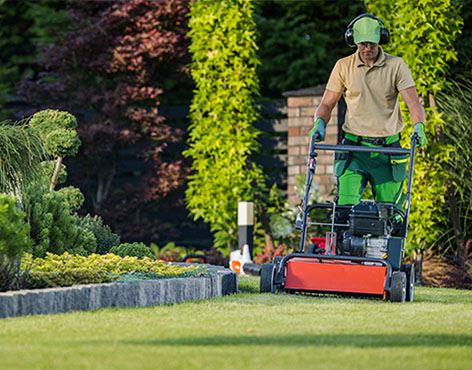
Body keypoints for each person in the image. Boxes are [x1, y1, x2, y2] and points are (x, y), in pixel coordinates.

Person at [309, 13, 427, 243]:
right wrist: (320, 122)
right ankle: (342, 257)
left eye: (371, 43)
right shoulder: (343, 66)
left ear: (380, 39)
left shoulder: (396, 66)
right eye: (362, 43)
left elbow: (413, 102)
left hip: (388, 152)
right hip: (354, 150)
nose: (366, 48)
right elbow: (327, 102)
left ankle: (388, 262)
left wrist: (419, 126)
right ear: (353, 40)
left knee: (390, 214)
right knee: (344, 209)